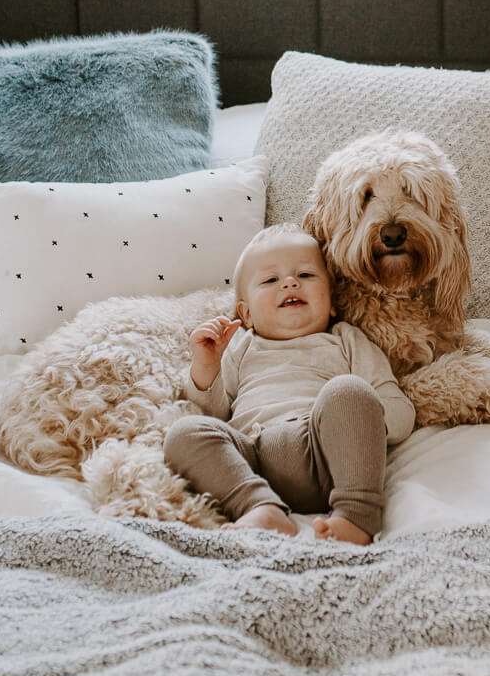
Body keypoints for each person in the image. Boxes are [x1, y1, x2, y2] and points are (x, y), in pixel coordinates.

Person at [163, 223, 415, 544]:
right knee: (184, 432)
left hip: (325, 452)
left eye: (307, 276)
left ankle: (356, 515)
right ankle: (260, 507)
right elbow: (213, 411)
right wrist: (205, 366)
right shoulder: (241, 345)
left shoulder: (345, 339)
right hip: (253, 458)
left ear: (333, 301)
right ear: (246, 313)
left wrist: (361, 422)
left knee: (349, 390)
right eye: (270, 280)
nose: (290, 283)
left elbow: (397, 409)